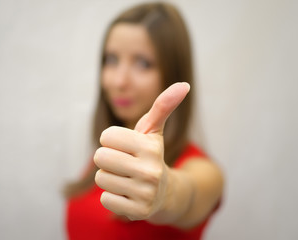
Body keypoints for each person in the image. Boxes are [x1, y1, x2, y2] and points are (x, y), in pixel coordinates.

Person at [64, 2, 224, 239]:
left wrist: (165, 191)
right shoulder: (105, 157)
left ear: (173, 73)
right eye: (112, 59)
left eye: (143, 63)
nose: (120, 80)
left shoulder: (202, 170)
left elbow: (188, 194)